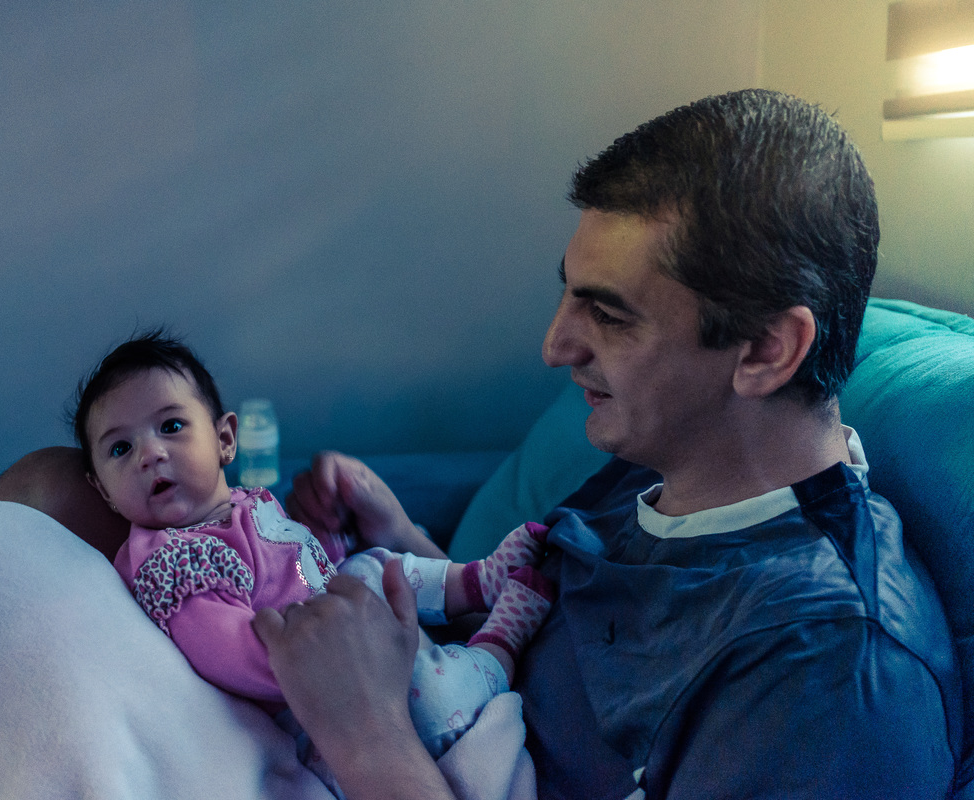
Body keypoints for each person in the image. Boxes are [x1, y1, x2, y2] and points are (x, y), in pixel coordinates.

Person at [253, 89, 960, 799]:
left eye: (609, 314)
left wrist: (366, 734)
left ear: (767, 350)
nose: (555, 346)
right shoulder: (668, 464)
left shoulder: (827, 673)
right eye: (570, 296)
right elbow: (556, 651)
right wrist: (406, 546)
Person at [68, 330, 556, 785]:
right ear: (103, 492)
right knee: (440, 694)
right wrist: (314, 666)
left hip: (351, 632)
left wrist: (328, 546)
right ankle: (499, 647)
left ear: (224, 439)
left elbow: (298, 566)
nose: (150, 453)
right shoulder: (173, 560)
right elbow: (224, 647)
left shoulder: (245, 505)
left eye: (171, 426)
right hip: (326, 695)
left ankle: (475, 581)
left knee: (374, 563)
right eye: (120, 448)